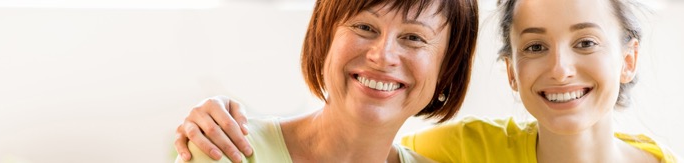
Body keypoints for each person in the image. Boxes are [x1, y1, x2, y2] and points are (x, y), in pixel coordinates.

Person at [183, 0, 682, 162]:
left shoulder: (657, 155)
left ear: (628, 59)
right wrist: (221, 113)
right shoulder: (466, 149)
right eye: (364, 26)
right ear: (511, 70)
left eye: (415, 39)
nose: (560, 69)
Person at [173, 0, 479, 162]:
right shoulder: (224, 150)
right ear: (324, 38)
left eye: (413, 38)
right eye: (364, 26)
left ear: (447, 70)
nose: (383, 56)